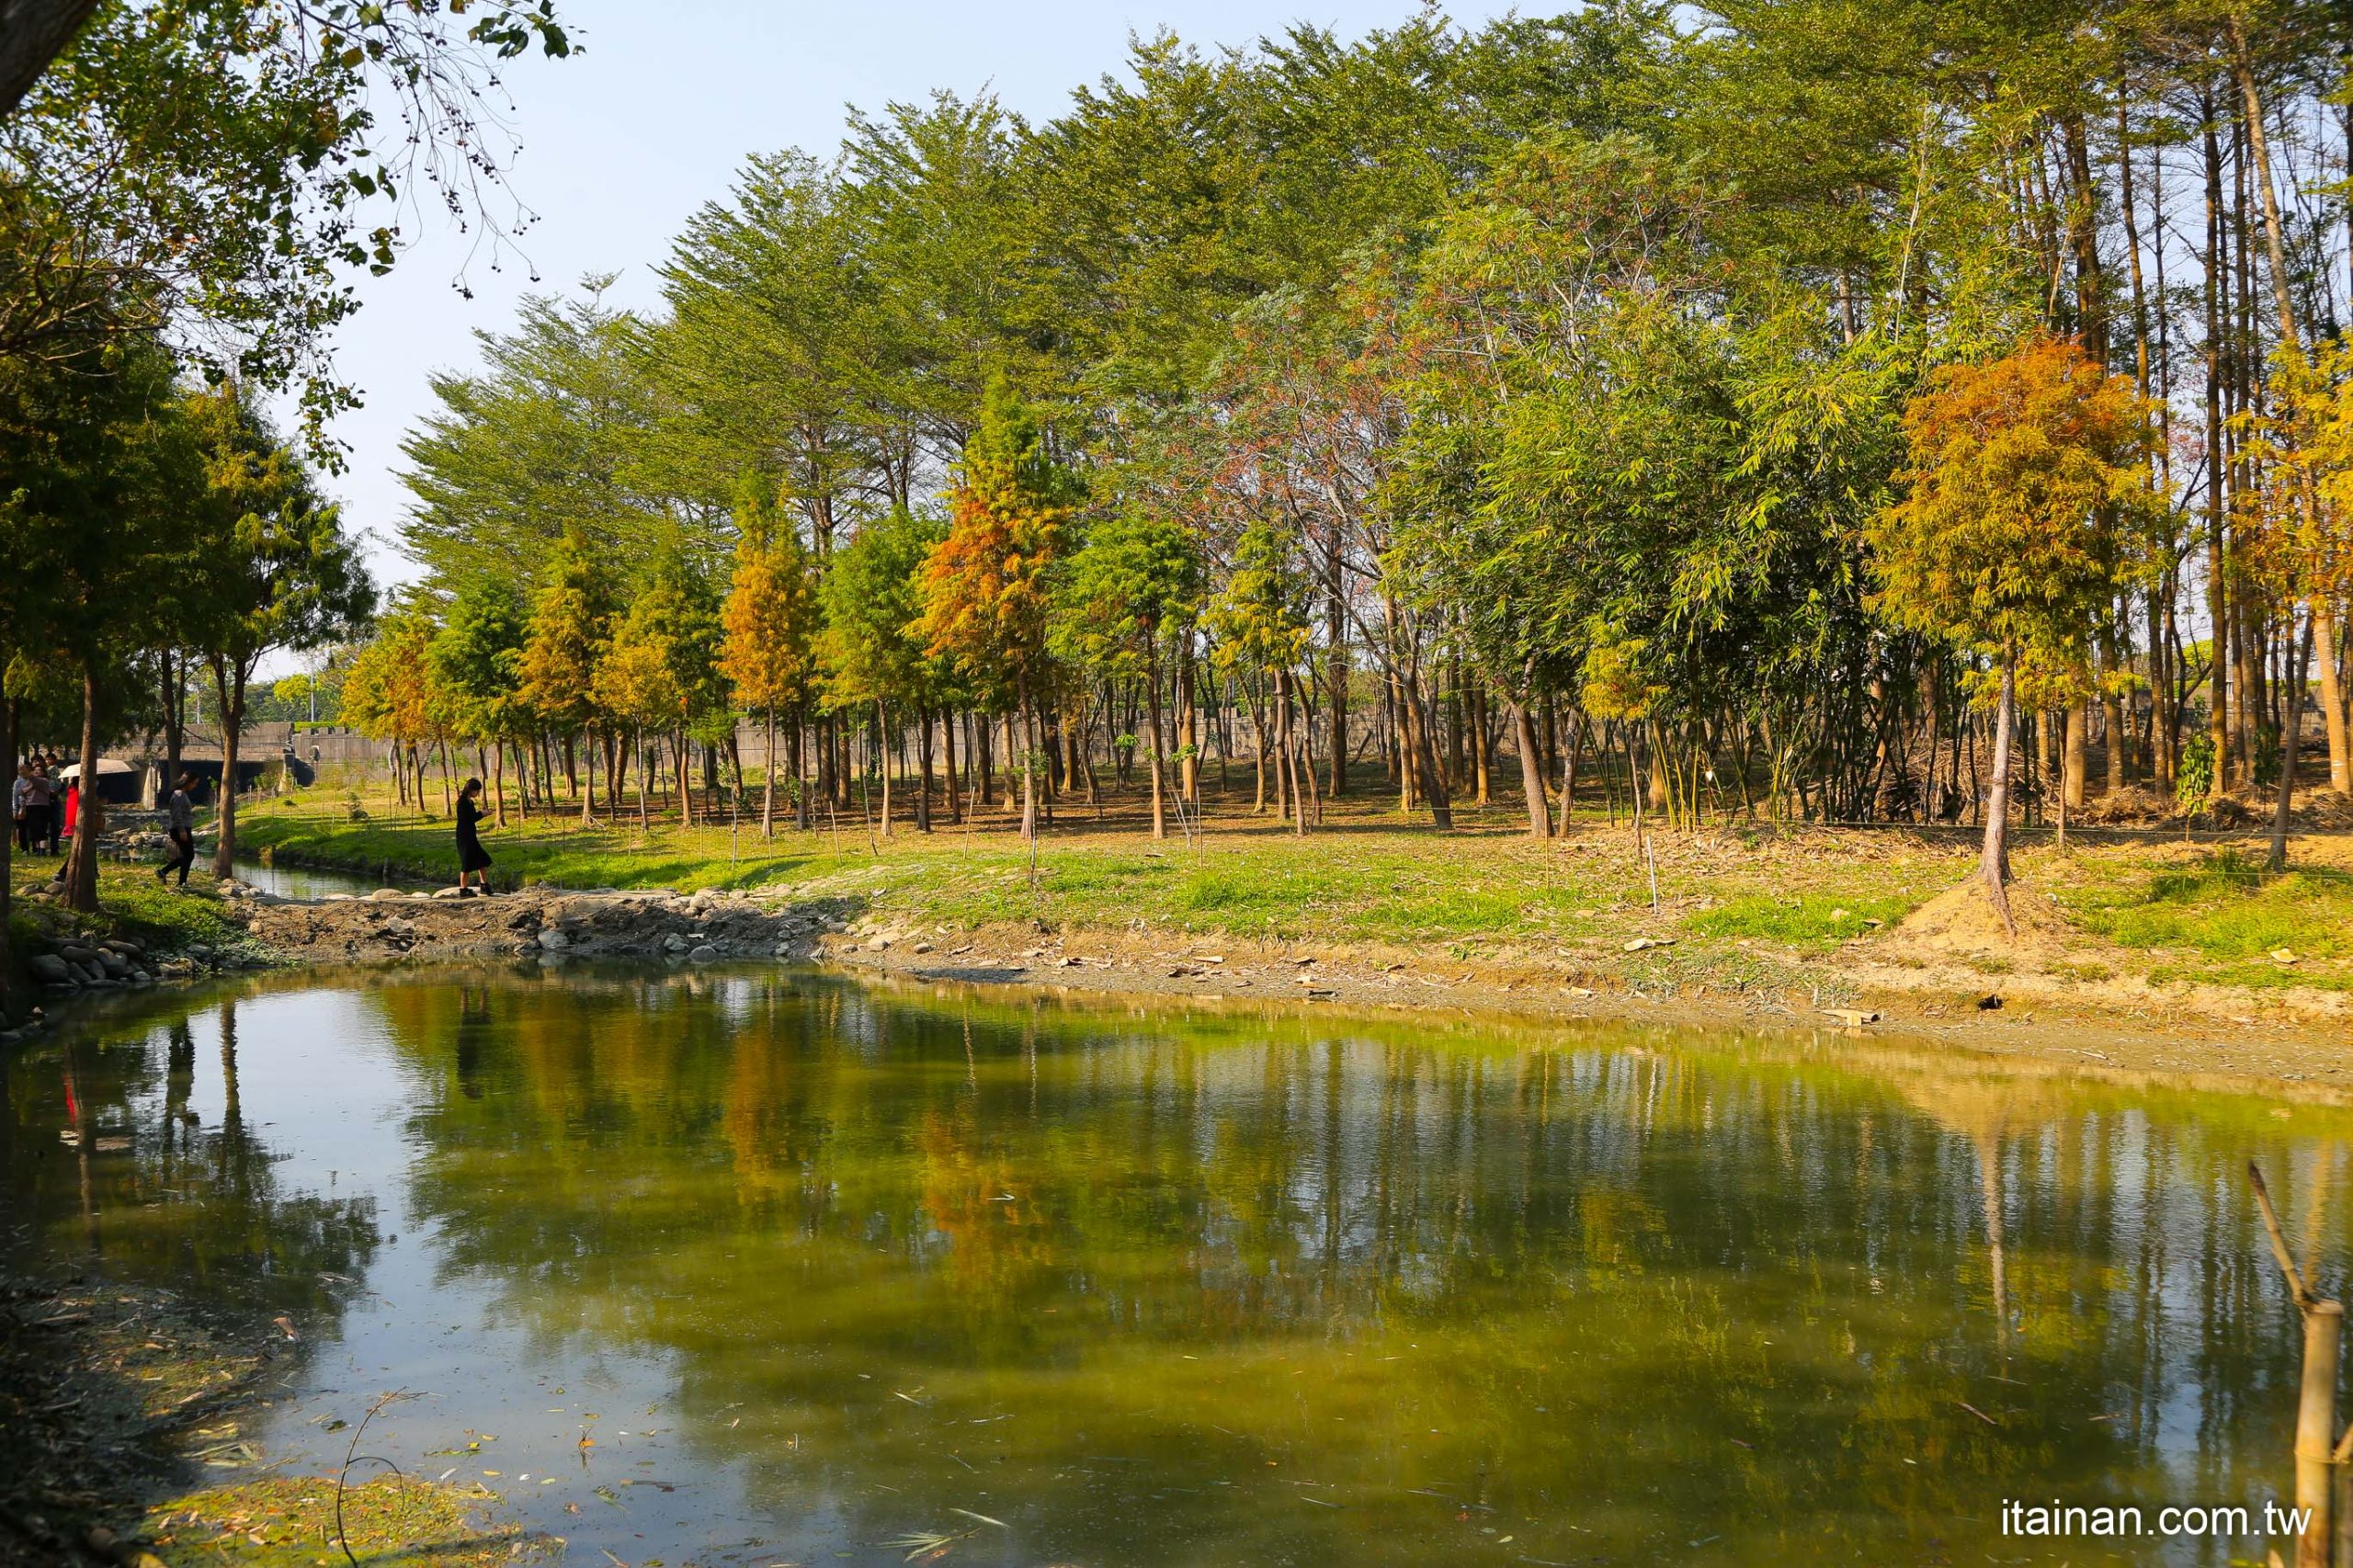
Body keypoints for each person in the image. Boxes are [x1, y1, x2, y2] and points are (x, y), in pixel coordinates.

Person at [156, 772, 198, 887]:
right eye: (194, 783)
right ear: (187, 782)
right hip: (180, 829)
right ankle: (180, 881)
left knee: (187, 855)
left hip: (184, 828)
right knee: (189, 855)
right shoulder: (179, 794)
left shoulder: (182, 794)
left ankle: (165, 873)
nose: (194, 786)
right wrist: (182, 830)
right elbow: (176, 814)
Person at [455, 777, 494, 895]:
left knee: (482, 859)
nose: (478, 793)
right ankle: (463, 889)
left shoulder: (469, 802)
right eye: (477, 791)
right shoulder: (462, 802)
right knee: (466, 863)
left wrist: (482, 814)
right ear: (471, 789)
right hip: (464, 836)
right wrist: (481, 814)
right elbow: (466, 819)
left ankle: (484, 885)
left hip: (471, 835)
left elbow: (472, 818)